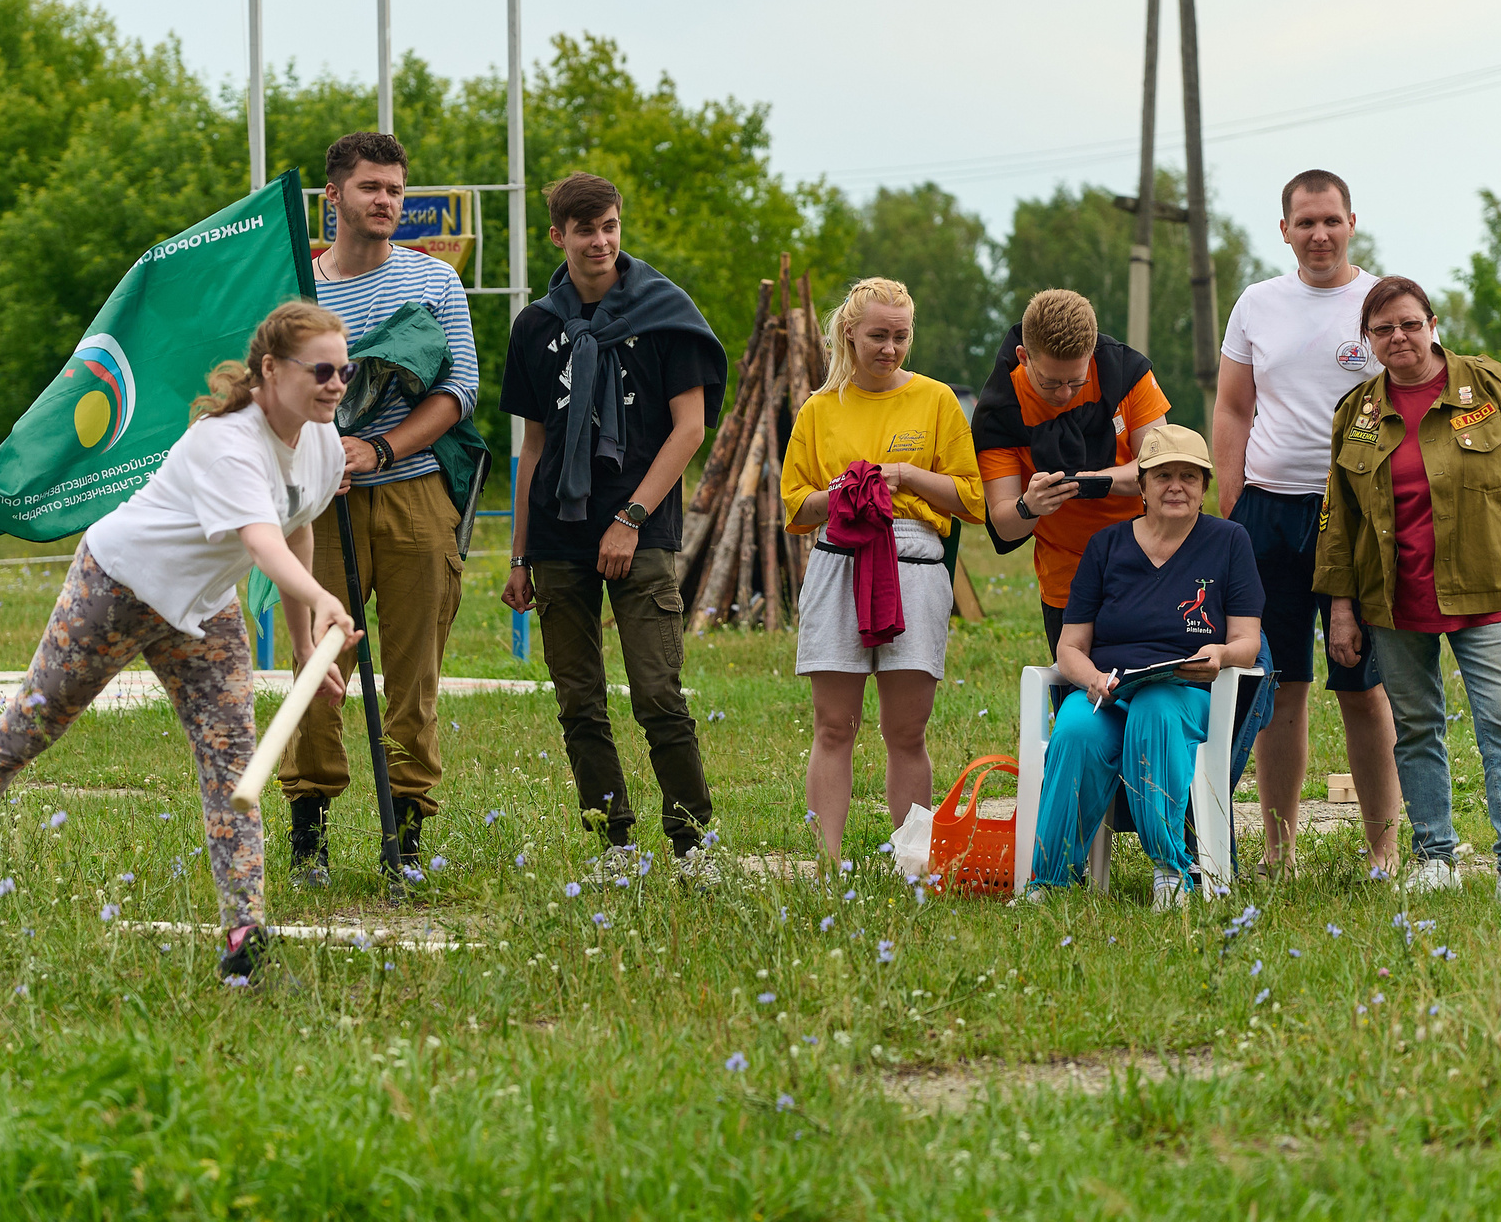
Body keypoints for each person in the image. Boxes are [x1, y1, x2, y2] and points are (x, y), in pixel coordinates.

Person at [0, 301, 358, 981]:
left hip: (202, 611)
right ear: (271, 368)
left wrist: (301, 645)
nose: (337, 384)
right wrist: (320, 597)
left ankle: (245, 939)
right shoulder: (226, 441)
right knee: (31, 726)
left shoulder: (321, 440)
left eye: (345, 371)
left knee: (233, 765)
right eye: (322, 370)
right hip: (117, 587)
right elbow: (262, 543)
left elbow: (295, 525)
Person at [1316, 276, 1501, 902]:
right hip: (1392, 596)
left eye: (1410, 323)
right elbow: (1339, 518)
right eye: (1383, 329)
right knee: (1415, 725)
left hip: (1485, 585)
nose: (1399, 337)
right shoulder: (1356, 414)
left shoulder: (1489, 386)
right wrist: (1342, 608)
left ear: (1432, 325)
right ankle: (1435, 856)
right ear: (1368, 340)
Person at [500, 172, 728, 876]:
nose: (600, 242)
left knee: (658, 692)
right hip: (557, 534)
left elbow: (690, 430)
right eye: (585, 230)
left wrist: (631, 517)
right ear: (558, 236)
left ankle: (692, 845)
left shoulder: (665, 313)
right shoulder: (536, 326)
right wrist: (518, 555)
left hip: (641, 528)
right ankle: (615, 846)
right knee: (579, 702)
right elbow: (533, 448)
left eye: (610, 227)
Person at [279, 131, 481, 882]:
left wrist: (379, 449)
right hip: (317, 504)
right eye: (370, 187)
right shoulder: (296, 290)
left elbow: (460, 389)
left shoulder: (434, 280)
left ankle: (408, 841)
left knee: (413, 671)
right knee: (316, 660)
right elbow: (267, 391)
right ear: (333, 196)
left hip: (414, 492)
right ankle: (309, 834)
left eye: (395, 189)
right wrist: (314, 455)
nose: (386, 200)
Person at [1213, 168, 1403, 878]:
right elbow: (1233, 407)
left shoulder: (1383, 305)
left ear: (1352, 222)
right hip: (1269, 513)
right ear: (1285, 230)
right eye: (1305, 222)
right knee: (1278, 684)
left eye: (1330, 220)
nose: (1319, 234)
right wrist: (1232, 503)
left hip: (1359, 518)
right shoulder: (1257, 304)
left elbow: (1413, 400)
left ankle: (1384, 850)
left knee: (1363, 686)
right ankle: (1278, 848)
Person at [780, 277, 984, 860]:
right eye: (877, 336)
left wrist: (906, 476)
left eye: (900, 336)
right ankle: (827, 865)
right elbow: (795, 505)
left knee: (906, 730)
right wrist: (842, 492)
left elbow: (970, 498)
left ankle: (913, 861)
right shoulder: (819, 409)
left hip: (913, 563)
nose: (890, 348)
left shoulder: (937, 401)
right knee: (833, 726)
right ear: (850, 333)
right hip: (839, 562)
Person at [1030, 426, 1263, 910]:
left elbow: (1248, 642)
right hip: (1111, 690)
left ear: (1204, 486)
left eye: (1188, 477)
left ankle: (1170, 871)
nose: (1176, 487)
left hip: (1187, 692)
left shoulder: (1229, 541)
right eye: (1162, 476)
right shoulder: (1105, 546)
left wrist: (1220, 655)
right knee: (1075, 729)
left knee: (1155, 709)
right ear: (1141, 486)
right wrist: (1092, 679)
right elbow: (1070, 647)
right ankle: (1050, 881)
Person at [974, 289, 1170, 652]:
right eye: (1050, 382)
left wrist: (1097, 481)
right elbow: (1003, 522)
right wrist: (1029, 506)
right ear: (1023, 357)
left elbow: (1159, 468)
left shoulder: (1127, 372)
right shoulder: (1000, 411)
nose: (1064, 394)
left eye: (1076, 381)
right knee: (1077, 684)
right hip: (1067, 579)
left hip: (1150, 560)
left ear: (1092, 353)